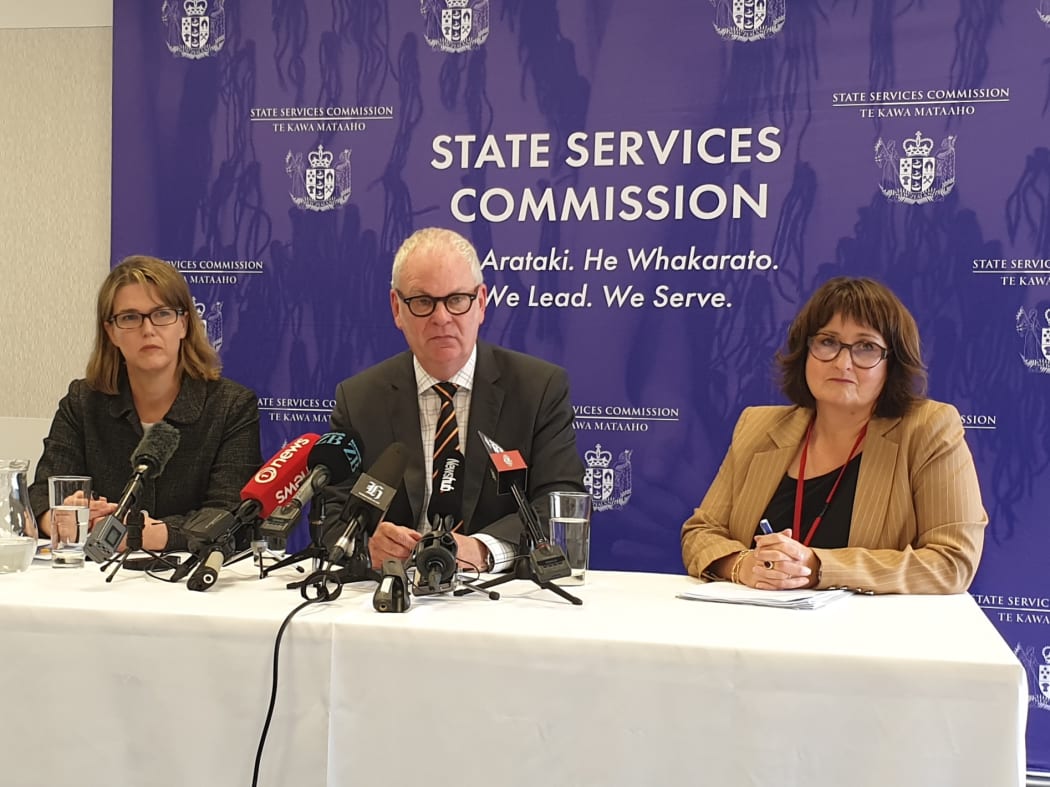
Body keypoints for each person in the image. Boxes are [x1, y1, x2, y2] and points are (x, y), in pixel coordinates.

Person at [681, 277, 987, 594]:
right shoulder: (757, 427)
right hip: (757, 632)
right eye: (827, 342)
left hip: (871, 637)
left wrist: (818, 567)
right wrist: (743, 565)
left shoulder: (928, 429)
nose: (843, 363)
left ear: (891, 364)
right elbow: (701, 532)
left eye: (866, 347)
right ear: (805, 352)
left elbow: (953, 562)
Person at [327, 227, 585, 572]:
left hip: (498, 600)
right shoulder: (359, 399)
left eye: (456, 300)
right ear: (396, 308)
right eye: (422, 302)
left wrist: (483, 549)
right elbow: (331, 517)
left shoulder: (538, 389)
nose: (441, 318)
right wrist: (365, 546)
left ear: (480, 303)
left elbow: (558, 504)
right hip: (391, 595)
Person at [29, 255, 262, 552]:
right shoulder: (83, 402)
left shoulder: (231, 406)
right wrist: (61, 518)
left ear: (184, 324)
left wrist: (150, 534)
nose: (148, 329)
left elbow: (231, 514)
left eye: (162, 314)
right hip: (94, 579)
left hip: (188, 582)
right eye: (130, 318)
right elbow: (40, 496)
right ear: (111, 332)